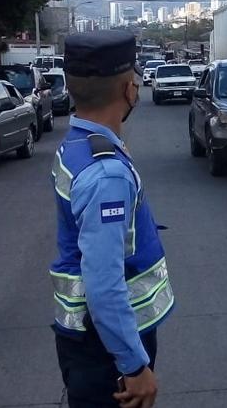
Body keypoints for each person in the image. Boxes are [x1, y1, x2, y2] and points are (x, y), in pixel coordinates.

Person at [50, 30, 175, 408]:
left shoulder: (77, 145)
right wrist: (133, 366)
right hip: (105, 349)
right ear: (129, 90)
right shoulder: (106, 174)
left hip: (86, 338)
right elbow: (104, 283)